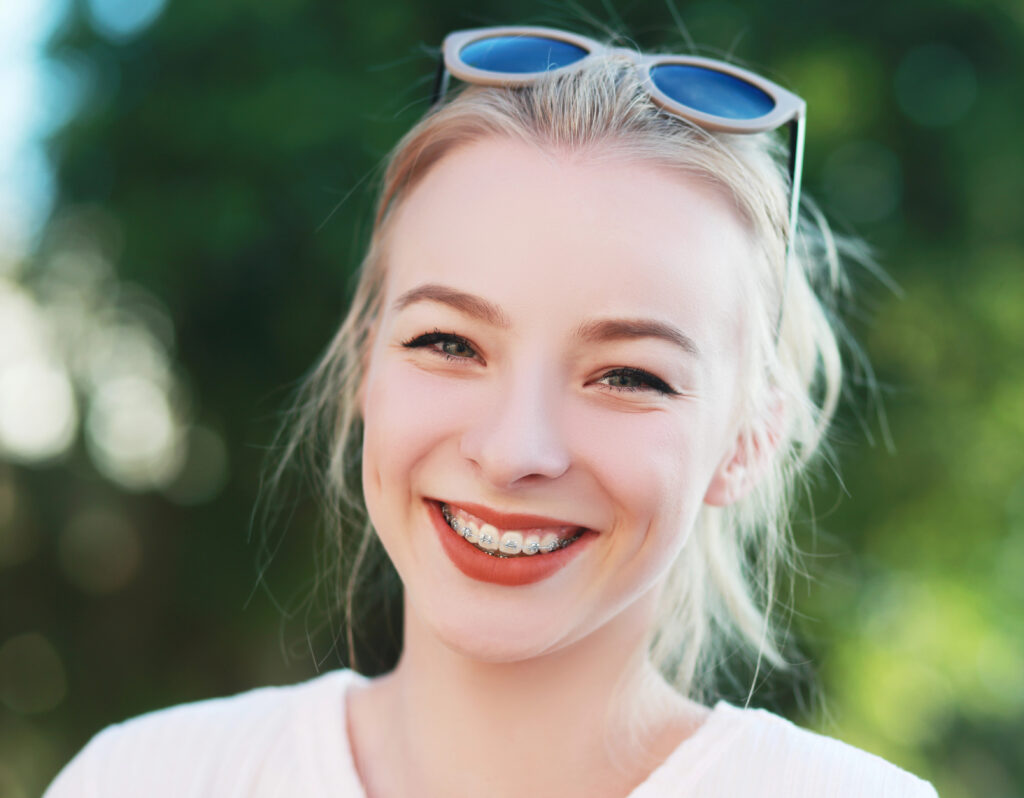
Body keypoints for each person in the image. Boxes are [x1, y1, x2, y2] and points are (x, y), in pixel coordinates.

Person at [45, 25, 938, 797]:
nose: (515, 451)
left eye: (629, 376)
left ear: (748, 443)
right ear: (366, 366)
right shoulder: (141, 780)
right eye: (449, 344)